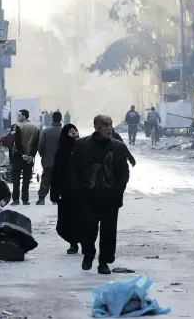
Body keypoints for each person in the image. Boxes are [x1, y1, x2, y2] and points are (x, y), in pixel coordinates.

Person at [70, 115, 130, 275]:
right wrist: (78, 191)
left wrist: (118, 190)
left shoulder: (118, 147)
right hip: (88, 196)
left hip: (110, 196)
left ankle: (104, 261)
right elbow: (73, 170)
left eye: (110, 124)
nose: (109, 128)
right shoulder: (81, 145)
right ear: (96, 126)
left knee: (109, 231)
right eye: (105, 125)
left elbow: (124, 172)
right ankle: (88, 254)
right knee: (88, 229)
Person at [50, 124, 81, 254]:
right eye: (70, 131)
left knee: (85, 218)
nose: (73, 133)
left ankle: (86, 242)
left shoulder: (84, 148)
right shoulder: (61, 152)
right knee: (68, 219)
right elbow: (56, 173)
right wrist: (55, 193)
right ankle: (73, 243)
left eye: (75, 130)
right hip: (67, 192)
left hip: (83, 191)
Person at [12, 109, 40, 205]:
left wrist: (22, 154)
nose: (18, 117)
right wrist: (31, 155)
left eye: (19, 115)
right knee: (26, 179)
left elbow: (17, 142)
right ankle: (25, 200)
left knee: (16, 179)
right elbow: (36, 144)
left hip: (19, 157)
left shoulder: (18, 126)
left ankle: (16, 199)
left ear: (24, 116)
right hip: (29, 159)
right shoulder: (35, 128)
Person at [36, 111, 63, 205]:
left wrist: (43, 155)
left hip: (48, 160)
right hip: (61, 162)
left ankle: (41, 199)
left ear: (52, 118)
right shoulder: (64, 131)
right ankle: (55, 199)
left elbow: (40, 146)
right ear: (61, 119)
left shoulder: (46, 131)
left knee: (45, 179)